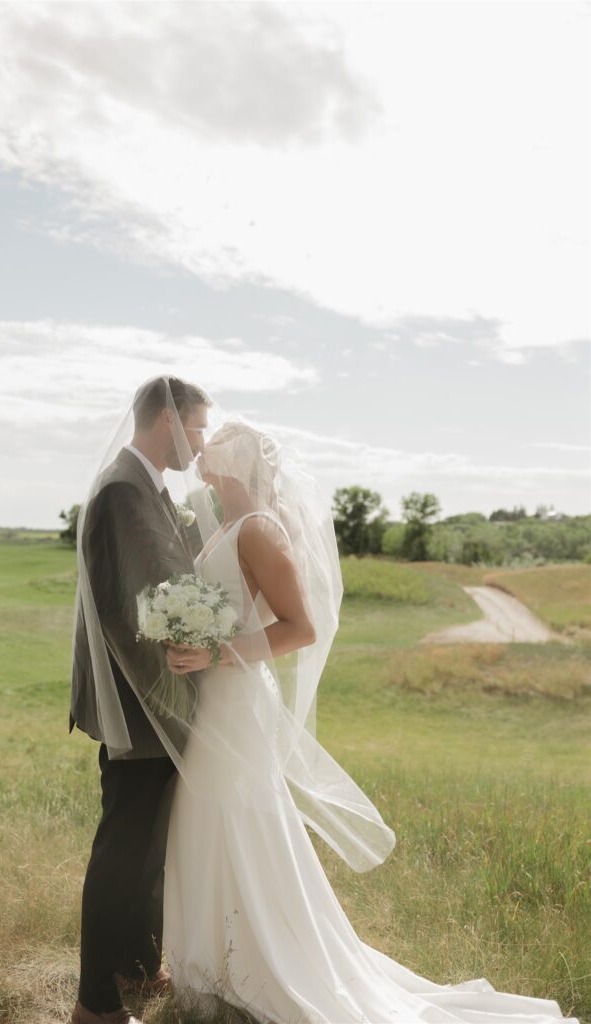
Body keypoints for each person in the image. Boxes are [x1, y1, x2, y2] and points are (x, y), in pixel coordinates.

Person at [159, 419, 580, 1024]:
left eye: (219, 437)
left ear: (240, 458)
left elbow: (298, 628)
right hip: (213, 702)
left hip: (237, 700)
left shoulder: (256, 529)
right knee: (205, 817)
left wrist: (215, 652)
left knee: (237, 816)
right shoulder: (222, 523)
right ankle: (209, 965)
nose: (204, 444)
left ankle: (258, 964)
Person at [68, 375, 211, 1024]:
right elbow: (138, 605)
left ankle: (136, 965)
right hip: (141, 704)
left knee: (149, 846)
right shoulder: (125, 489)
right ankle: (94, 1003)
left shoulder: (145, 485)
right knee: (124, 851)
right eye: (197, 427)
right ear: (166, 421)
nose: (201, 442)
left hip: (156, 700)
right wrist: (196, 661)